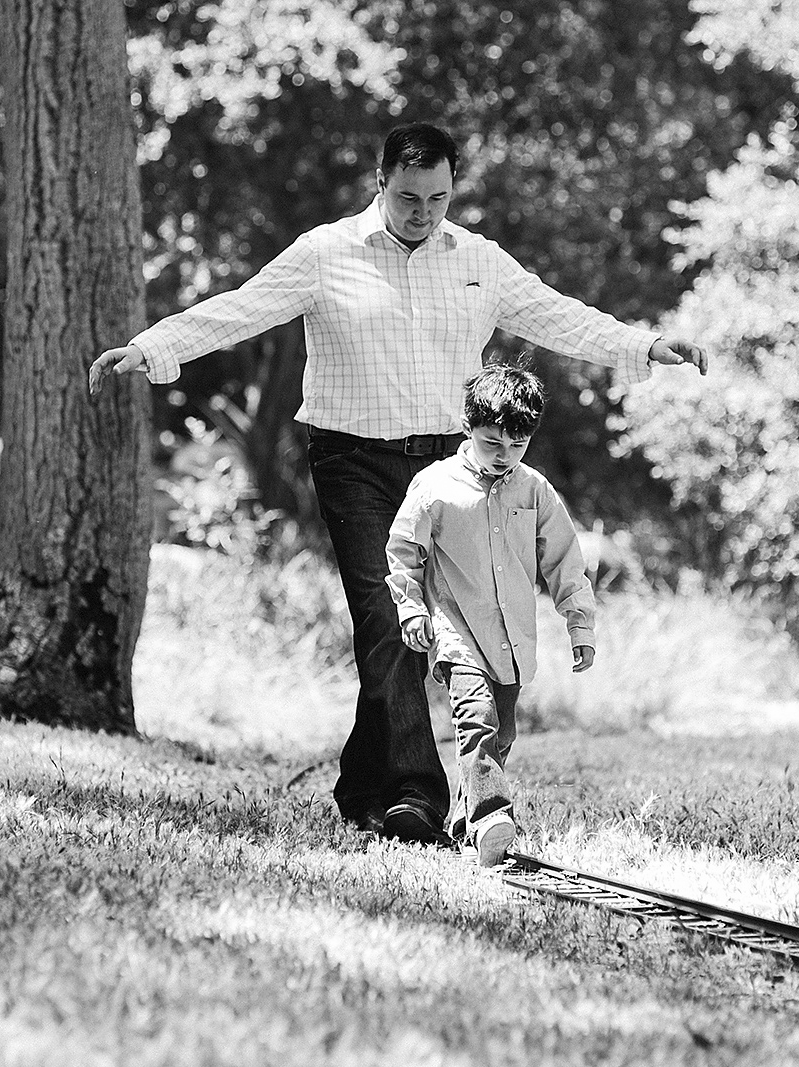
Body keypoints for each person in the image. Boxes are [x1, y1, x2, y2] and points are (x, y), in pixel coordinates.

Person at [89, 122, 705, 845]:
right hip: (352, 458)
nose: (424, 212)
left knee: (431, 632)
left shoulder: (478, 261)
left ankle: (362, 780)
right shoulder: (325, 254)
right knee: (389, 619)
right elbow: (239, 308)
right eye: (409, 197)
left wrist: (645, 344)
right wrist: (152, 347)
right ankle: (416, 793)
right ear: (378, 180)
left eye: (439, 198)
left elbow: (556, 313)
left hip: (449, 465)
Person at [385, 365, 590, 866]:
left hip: (512, 637)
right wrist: (411, 608)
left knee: (500, 736)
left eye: (517, 445)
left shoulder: (535, 490)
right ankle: (494, 815)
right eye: (492, 443)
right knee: (475, 720)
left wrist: (579, 624)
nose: (505, 456)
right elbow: (403, 551)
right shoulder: (434, 486)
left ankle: (466, 822)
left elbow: (564, 560)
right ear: (467, 427)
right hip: (456, 630)